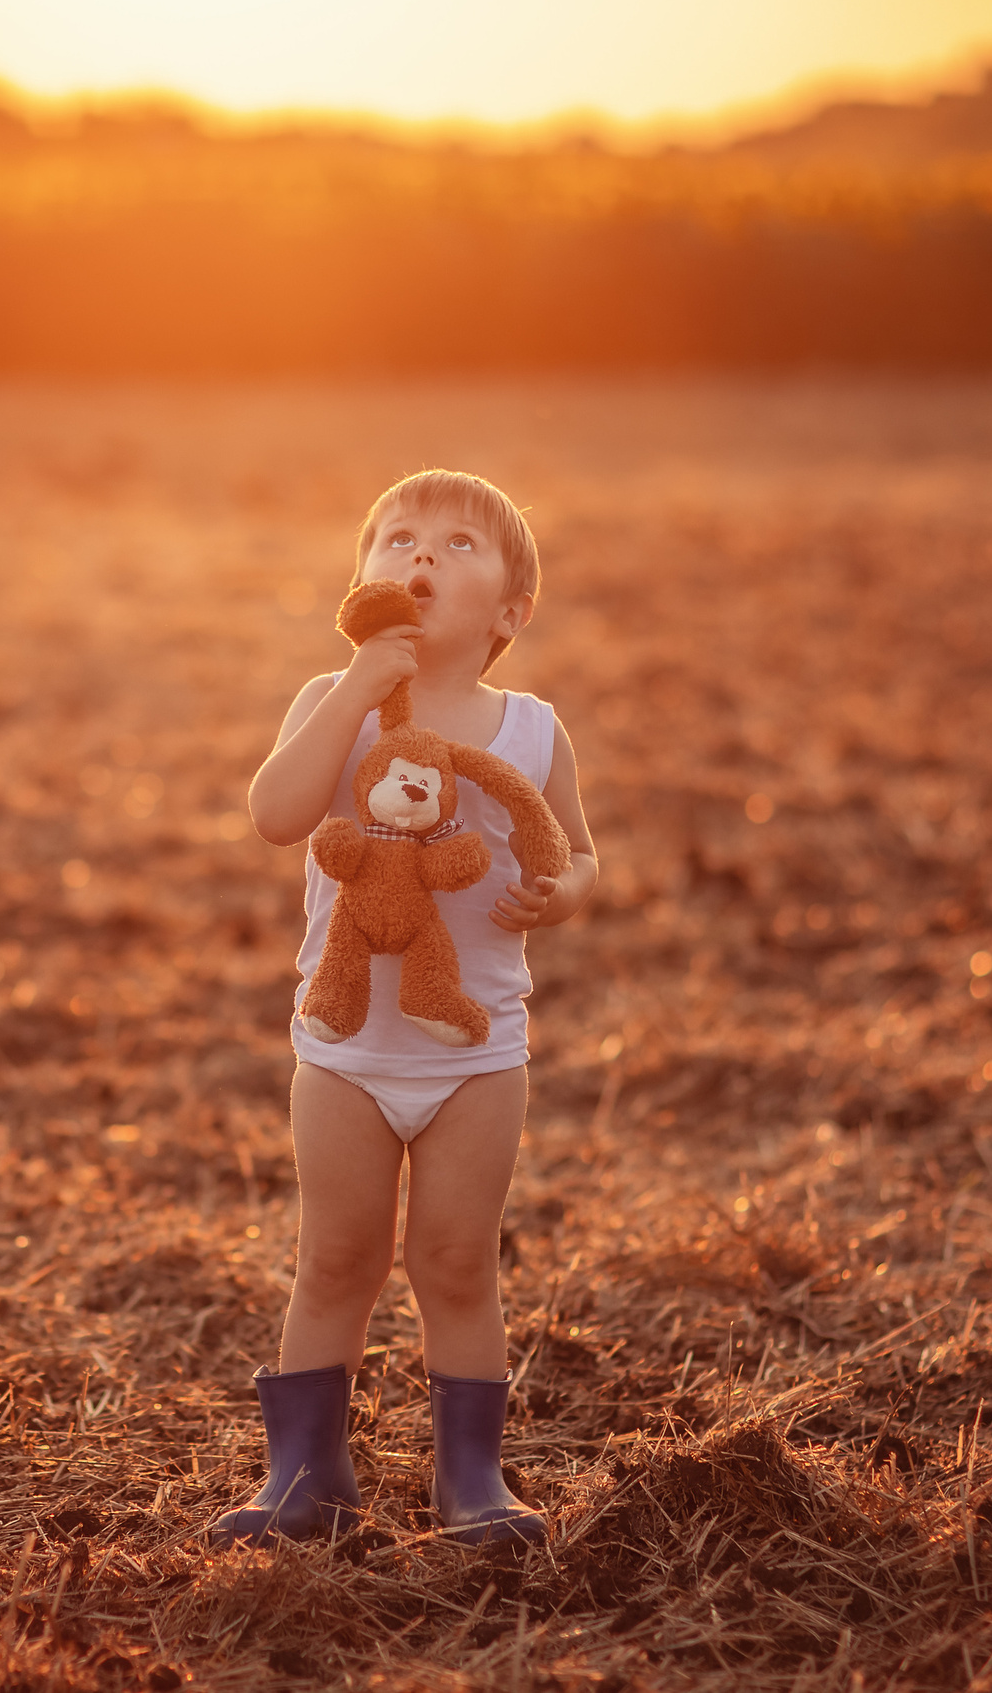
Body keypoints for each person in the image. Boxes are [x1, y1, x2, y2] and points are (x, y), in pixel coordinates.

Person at [216, 468, 597, 1547]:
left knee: (453, 1262)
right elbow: (275, 814)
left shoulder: (529, 730)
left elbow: (580, 849)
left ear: (510, 615)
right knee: (336, 1257)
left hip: (477, 1053)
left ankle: (471, 1480)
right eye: (395, 538)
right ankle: (303, 1477)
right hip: (342, 1051)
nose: (419, 555)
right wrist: (350, 687)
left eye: (456, 545)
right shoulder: (324, 705)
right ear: (363, 581)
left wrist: (561, 891)